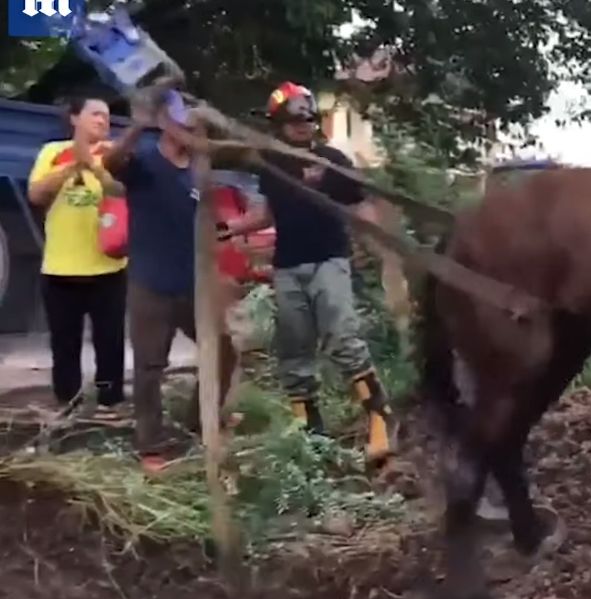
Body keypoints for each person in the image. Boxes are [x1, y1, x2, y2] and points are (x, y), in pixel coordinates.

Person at [220, 81, 398, 470]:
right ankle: (310, 428)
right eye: (293, 122)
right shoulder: (271, 162)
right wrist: (232, 227)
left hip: (328, 261)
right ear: (278, 125)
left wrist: (381, 247)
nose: (302, 127)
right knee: (295, 350)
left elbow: (360, 204)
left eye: (307, 120)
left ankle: (380, 417)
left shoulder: (333, 159)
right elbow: (267, 213)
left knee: (343, 339)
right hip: (287, 267)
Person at [102, 90, 237, 472]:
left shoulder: (199, 172)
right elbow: (111, 162)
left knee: (225, 350)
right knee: (149, 368)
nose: (193, 133)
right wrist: (137, 125)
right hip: (149, 284)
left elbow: (206, 228)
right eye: (186, 126)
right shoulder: (144, 164)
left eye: (198, 128)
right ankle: (150, 445)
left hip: (192, 286)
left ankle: (200, 420)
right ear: (167, 125)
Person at [27, 92, 128, 418]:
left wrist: (97, 168)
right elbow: (37, 195)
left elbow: (120, 192)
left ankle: (110, 404)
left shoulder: (114, 154)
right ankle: (67, 405)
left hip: (108, 268)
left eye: (107, 116)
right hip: (60, 269)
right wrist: (75, 165)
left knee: (110, 342)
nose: (103, 120)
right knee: (64, 344)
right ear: (74, 118)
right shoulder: (52, 152)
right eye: (95, 114)